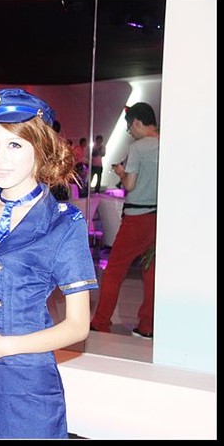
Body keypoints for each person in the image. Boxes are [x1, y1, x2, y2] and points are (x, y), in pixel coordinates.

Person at [0, 88, 98, 438]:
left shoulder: (62, 223)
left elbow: (77, 326)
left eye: (14, 145)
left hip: (25, 387)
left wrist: (3, 346)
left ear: (40, 148)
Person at [91, 103, 159, 338]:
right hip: (158, 218)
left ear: (138, 122)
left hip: (136, 218)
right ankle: (147, 325)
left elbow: (130, 184)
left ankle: (101, 321)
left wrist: (120, 172)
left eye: (130, 128)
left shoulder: (138, 147)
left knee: (114, 270)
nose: (130, 132)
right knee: (151, 274)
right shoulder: (166, 144)